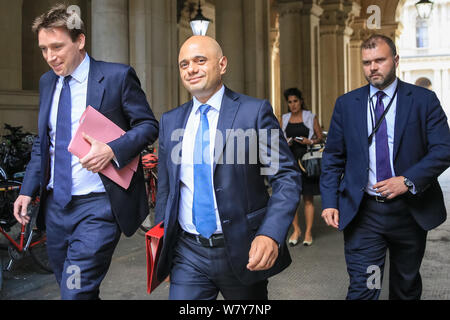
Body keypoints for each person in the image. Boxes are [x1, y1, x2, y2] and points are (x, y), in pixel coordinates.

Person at [13, 4, 159, 300]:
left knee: (74, 291)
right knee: (76, 287)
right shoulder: (46, 83)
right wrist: (27, 191)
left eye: (57, 46)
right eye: (43, 49)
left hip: (99, 206)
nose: (50, 57)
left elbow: (148, 126)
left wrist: (112, 149)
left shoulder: (116, 77)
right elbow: (45, 144)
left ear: (80, 41)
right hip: (55, 208)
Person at [155, 36, 301, 300]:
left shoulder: (254, 112)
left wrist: (270, 233)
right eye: (184, 64)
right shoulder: (170, 121)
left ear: (222, 65)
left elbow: (286, 178)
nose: (191, 69)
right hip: (188, 254)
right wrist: (161, 251)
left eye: (201, 61)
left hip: (243, 251)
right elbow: (166, 191)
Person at [321, 34, 450, 300]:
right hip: (365, 213)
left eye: (380, 60)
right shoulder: (347, 104)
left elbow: (444, 149)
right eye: (367, 62)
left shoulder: (424, 100)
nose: (373, 68)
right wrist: (329, 201)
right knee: (365, 287)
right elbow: (333, 156)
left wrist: (407, 180)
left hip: (409, 211)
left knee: (405, 286)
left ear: (396, 60)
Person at [281, 88, 323, 246]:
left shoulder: (310, 116)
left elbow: (320, 138)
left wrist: (309, 141)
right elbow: (279, 140)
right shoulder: (284, 119)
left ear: (301, 101)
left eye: (295, 101)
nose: (293, 105)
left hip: (306, 162)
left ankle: (308, 232)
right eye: (290, 102)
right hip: (289, 162)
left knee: (307, 198)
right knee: (292, 199)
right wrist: (286, 142)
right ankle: (296, 229)